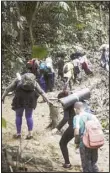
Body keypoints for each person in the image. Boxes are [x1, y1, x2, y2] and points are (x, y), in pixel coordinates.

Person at [2, 73, 52, 139]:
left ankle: (18, 133)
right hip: (30, 100)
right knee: (29, 116)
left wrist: (3, 97)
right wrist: (47, 100)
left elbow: (8, 89)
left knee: (18, 116)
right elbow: (41, 92)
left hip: (19, 99)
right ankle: (30, 134)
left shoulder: (18, 80)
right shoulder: (34, 82)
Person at [73, 101, 99, 172]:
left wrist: (77, 143)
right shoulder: (92, 116)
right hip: (94, 142)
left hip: (84, 144)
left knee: (86, 165)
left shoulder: (77, 117)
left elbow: (77, 132)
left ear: (75, 109)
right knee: (94, 163)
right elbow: (99, 128)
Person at [52, 89, 75, 168]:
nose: (60, 103)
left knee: (62, 143)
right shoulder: (75, 100)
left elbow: (65, 118)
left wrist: (57, 128)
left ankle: (67, 163)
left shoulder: (66, 104)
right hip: (83, 125)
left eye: (60, 101)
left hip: (74, 126)